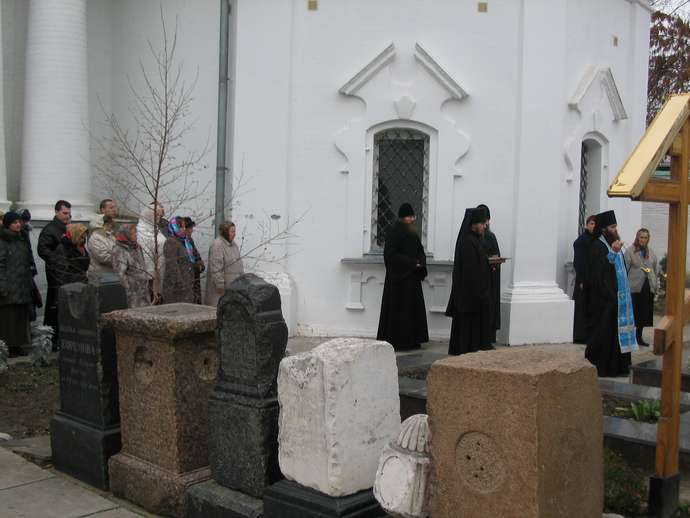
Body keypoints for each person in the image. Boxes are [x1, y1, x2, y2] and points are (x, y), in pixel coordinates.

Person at [585, 210, 637, 377]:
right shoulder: (597, 246)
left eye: (616, 226)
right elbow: (599, 272)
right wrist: (613, 254)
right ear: (604, 229)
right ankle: (605, 367)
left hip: (618, 298)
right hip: (604, 299)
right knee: (605, 335)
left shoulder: (615, 244)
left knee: (617, 335)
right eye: (612, 227)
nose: (615, 230)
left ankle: (620, 367)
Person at [376, 203, 429, 351]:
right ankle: (399, 342)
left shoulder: (412, 233)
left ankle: (413, 340)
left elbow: (420, 251)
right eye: (410, 217)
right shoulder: (394, 232)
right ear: (402, 218)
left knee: (413, 312)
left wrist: (421, 263)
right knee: (400, 312)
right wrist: (412, 263)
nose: (412, 219)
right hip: (398, 282)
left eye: (413, 217)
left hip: (412, 280)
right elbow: (391, 256)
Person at [446, 207, 493, 355]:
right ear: (474, 223)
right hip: (469, 297)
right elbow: (470, 271)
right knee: (467, 337)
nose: (485, 226)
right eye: (482, 223)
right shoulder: (467, 242)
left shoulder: (475, 240)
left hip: (474, 296)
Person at [37, 200, 72, 347]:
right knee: (54, 305)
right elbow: (42, 250)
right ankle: (51, 338)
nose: (68, 216)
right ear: (57, 212)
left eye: (69, 213)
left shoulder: (67, 228)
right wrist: (58, 261)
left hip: (68, 272)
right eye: (65, 213)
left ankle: (63, 335)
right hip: (55, 273)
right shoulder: (50, 230)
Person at [0, 212, 34, 356]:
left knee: (20, 317)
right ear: (8, 224)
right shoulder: (3, 240)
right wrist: (2, 285)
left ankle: (19, 345)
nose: (18, 224)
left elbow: (28, 260)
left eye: (19, 222)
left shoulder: (22, 239)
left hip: (22, 284)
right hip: (9, 285)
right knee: (9, 318)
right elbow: (0, 264)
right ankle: (8, 346)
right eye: (14, 222)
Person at [625, 228, 658, 346]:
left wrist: (655, 286)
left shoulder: (651, 252)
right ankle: (629, 337)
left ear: (648, 239)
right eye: (641, 237)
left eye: (645, 237)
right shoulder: (630, 251)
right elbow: (625, 269)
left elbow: (655, 269)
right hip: (634, 287)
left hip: (647, 286)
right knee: (633, 312)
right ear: (637, 237)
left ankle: (639, 337)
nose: (643, 240)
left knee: (643, 313)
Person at [477, 204, 501, 343]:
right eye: (483, 221)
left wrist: (492, 263)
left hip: (490, 280)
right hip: (479, 280)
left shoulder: (490, 237)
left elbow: (496, 255)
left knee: (490, 307)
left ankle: (490, 335)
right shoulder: (473, 238)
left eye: (486, 221)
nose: (486, 224)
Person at [205, 221, 244, 307]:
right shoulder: (217, 245)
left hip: (232, 289)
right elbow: (216, 268)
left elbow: (238, 264)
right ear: (225, 232)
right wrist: (221, 287)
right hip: (220, 292)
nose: (234, 234)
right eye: (232, 231)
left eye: (235, 231)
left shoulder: (234, 245)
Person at [112, 223, 150, 308]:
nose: (136, 235)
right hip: (132, 294)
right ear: (126, 235)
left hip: (143, 291)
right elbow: (119, 274)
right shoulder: (119, 250)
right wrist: (130, 287)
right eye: (133, 233)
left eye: (136, 232)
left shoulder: (137, 247)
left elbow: (142, 266)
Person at [572, 215, 597, 344]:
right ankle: (580, 336)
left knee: (591, 307)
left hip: (593, 279)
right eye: (591, 223)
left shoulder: (597, 240)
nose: (593, 226)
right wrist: (581, 280)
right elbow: (579, 262)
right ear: (587, 225)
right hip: (583, 279)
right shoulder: (581, 241)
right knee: (582, 307)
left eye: (595, 224)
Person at [15, 209, 42, 322]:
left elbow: (28, 252)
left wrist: (32, 267)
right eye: (22, 221)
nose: (22, 224)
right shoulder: (17, 234)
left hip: (26, 273)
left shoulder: (24, 232)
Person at [137, 204, 166, 303]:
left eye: (159, 215)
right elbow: (146, 256)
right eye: (156, 215)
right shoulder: (142, 232)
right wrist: (151, 276)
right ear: (149, 215)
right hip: (151, 276)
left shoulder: (155, 229)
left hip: (160, 270)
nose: (159, 218)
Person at [162, 217, 195, 303]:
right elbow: (172, 265)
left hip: (185, 284)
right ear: (174, 227)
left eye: (184, 227)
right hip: (176, 289)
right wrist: (180, 284)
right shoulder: (170, 242)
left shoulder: (183, 241)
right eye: (181, 227)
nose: (184, 229)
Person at [182, 217, 205, 304]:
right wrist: (195, 265)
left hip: (195, 274)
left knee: (196, 299)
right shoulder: (180, 242)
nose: (192, 230)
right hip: (188, 276)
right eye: (190, 228)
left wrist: (200, 262)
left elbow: (195, 253)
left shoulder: (189, 240)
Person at [87, 214, 116, 281]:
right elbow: (103, 257)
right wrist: (120, 259)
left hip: (110, 273)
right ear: (100, 224)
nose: (110, 225)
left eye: (110, 223)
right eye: (107, 223)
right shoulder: (95, 238)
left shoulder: (110, 236)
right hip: (100, 274)